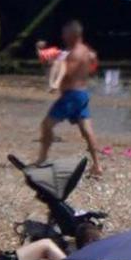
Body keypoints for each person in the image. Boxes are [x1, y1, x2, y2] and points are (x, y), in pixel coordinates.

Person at [36, 22, 103, 163]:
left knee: (46, 125)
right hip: (82, 94)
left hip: (71, 96)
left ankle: (42, 159)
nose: (63, 36)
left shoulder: (74, 53)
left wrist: (54, 67)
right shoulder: (86, 51)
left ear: (74, 35)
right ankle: (97, 165)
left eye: (65, 33)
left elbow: (68, 73)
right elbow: (92, 69)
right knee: (86, 130)